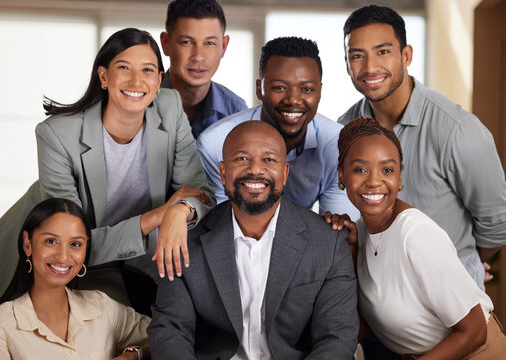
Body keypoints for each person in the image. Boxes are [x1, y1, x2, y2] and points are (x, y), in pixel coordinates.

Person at [0, 28, 215, 313]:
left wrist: (179, 211)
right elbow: (72, 242)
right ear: (103, 76)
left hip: (133, 257)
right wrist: (158, 217)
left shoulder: (170, 107)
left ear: (159, 79)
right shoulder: (57, 135)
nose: (136, 81)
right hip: (55, 257)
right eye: (123, 67)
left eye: (147, 70)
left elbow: (201, 192)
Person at [147, 121, 358, 359]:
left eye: (269, 160)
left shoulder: (328, 242)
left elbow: (337, 337)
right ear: (224, 173)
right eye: (242, 159)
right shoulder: (184, 242)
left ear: (285, 173)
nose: (255, 170)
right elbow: (170, 330)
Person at [339, 4, 506, 290]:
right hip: (374, 305)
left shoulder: (458, 130)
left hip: (447, 311)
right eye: (357, 56)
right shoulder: (345, 128)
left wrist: (461, 264)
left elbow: (497, 224)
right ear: (346, 64)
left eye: (382, 51)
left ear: (406, 55)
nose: (369, 68)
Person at [336, 117, 506, 360]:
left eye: (387, 170)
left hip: (477, 353)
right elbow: (363, 322)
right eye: (360, 169)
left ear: (400, 178)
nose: (374, 181)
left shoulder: (415, 234)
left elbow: (474, 330)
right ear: (341, 175)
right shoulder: (362, 231)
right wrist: (350, 248)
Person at [198, 36, 360, 220]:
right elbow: (220, 224)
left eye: (306, 89)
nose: (293, 100)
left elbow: (337, 231)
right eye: (279, 87)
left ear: (320, 92)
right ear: (259, 89)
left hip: (304, 241)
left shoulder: (340, 146)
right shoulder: (215, 144)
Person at [0, 198, 151, 360]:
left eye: (75, 244)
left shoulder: (103, 307)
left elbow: (167, 334)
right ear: (27, 244)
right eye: (51, 241)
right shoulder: (3, 325)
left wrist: (132, 355)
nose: (63, 257)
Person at [160, 0, 247, 139]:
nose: (198, 56)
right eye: (186, 42)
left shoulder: (236, 113)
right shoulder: (141, 103)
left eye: (209, 43)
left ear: (223, 47)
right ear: (166, 43)